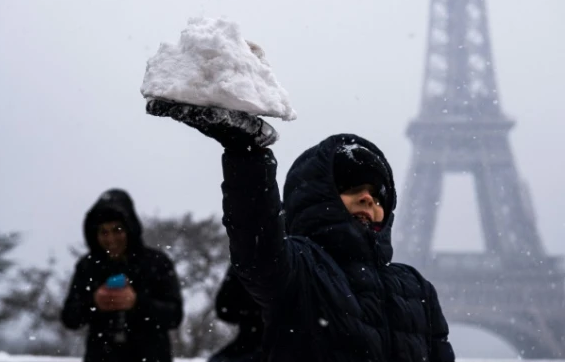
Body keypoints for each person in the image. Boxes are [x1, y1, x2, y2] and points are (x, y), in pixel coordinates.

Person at [147, 101, 455, 362]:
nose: (368, 198)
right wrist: (247, 154)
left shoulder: (416, 287)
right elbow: (258, 245)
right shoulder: (301, 269)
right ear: (320, 197)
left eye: (378, 195)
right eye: (352, 188)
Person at [61, 188, 183, 362]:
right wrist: (94, 302)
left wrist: (137, 302)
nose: (110, 239)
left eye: (117, 230)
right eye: (103, 232)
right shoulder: (87, 266)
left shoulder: (156, 262)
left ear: (130, 228)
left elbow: (174, 316)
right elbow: (69, 318)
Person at [209, 265, 264, 362]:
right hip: (252, 340)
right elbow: (223, 308)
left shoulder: (241, 264)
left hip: (255, 341)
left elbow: (224, 307)